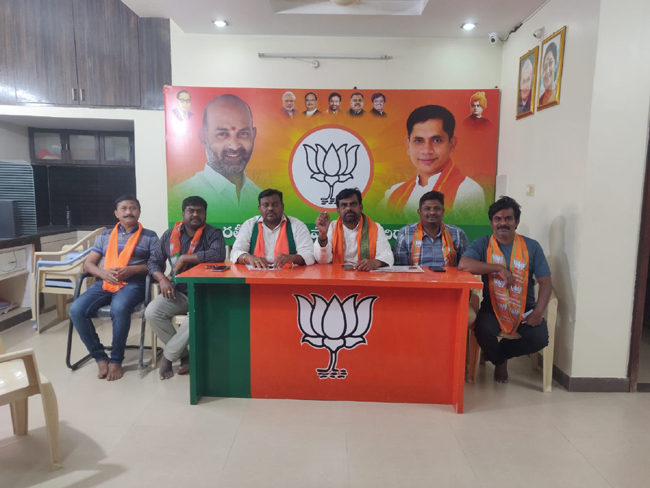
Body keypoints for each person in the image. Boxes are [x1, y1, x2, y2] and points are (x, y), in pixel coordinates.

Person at [458, 196, 552, 384]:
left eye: (508, 218)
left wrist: (538, 312)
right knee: (483, 331)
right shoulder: (483, 243)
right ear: (491, 223)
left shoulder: (531, 246)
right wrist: (498, 268)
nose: (502, 223)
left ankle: (502, 356)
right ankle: (500, 361)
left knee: (539, 339)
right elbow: (464, 264)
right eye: (497, 219)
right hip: (493, 305)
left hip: (524, 307)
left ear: (517, 222)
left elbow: (546, 282)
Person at [69, 195, 159, 381]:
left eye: (133, 208)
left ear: (139, 212)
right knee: (76, 310)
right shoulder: (105, 236)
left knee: (119, 309)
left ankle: (116, 359)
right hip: (104, 281)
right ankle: (100, 357)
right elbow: (89, 264)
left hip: (133, 283)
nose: (128, 212)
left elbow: (156, 265)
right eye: (123, 208)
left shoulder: (150, 236)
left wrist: (133, 269)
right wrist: (103, 274)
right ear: (116, 213)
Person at [145, 196, 225, 380]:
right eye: (191, 211)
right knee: (152, 312)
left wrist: (185, 258)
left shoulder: (213, 233)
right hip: (177, 291)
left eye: (200, 211)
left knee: (194, 318)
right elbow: (153, 263)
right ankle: (184, 355)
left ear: (205, 214)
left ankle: (168, 357)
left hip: (204, 293)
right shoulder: (169, 235)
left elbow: (218, 254)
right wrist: (162, 279)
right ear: (183, 214)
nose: (195, 214)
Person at [378, 105, 485, 222]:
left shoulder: (467, 191)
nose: (427, 150)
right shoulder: (394, 194)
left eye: (436, 140)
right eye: (418, 141)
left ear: (452, 144)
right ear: (408, 145)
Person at [169, 94, 261, 223]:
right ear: (203, 138)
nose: (234, 146)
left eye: (243, 133)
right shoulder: (178, 195)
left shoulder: (260, 198)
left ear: (253, 136)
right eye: (222, 134)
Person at [231, 189, 315, 269]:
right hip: (256, 275)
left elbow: (309, 254)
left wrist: (291, 258)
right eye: (266, 205)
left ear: (282, 207)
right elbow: (235, 252)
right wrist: (249, 258)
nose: (270, 208)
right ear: (259, 208)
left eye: (275, 204)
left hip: (289, 275)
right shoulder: (250, 225)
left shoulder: (297, 225)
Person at [314, 188, 393, 270]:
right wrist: (322, 235)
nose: (348, 208)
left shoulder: (375, 228)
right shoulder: (332, 227)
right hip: (337, 274)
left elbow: (387, 254)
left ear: (361, 207)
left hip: (366, 274)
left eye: (353, 204)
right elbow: (322, 260)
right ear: (338, 210)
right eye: (344, 205)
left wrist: (375, 262)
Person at [393, 191, 469, 268]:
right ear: (419, 212)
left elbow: (465, 265)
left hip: (449, 275)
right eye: (427, 209)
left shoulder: (457, 234)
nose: (432, 212)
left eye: (437, 209)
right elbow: (401, 268)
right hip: (416, 276)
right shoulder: (406, 233)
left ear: (443, 212)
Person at [539, 42, 558, 106]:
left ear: (555, 67)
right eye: (545, 67)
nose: (547, 71)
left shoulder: (559, 93)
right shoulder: (539, 101)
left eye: (550, 63)